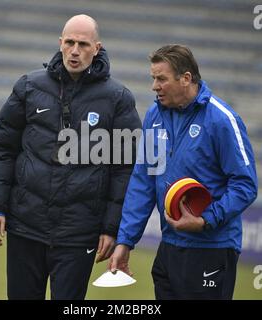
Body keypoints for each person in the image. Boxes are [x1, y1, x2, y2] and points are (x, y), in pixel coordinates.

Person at [0, 14, 141, 300]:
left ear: (97, 48)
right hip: (25, 226)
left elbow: (124, 169)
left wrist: (111, 227)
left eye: (83, 44)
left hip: (79, 233)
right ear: (60, 43)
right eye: (69, 42)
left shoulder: (118, 99)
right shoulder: (29, 86)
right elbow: (2, 148)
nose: (75, 51)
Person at [109, 44, 258, 300]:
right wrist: (126, 241)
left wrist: (205, 220)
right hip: (169, 247)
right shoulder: (154, 115)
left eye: (161, 79)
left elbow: (245, 185)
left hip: (212, 248)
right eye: (153, 78)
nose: (154, 86)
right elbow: (144, 180)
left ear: (186, 78)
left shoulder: (222, 120)